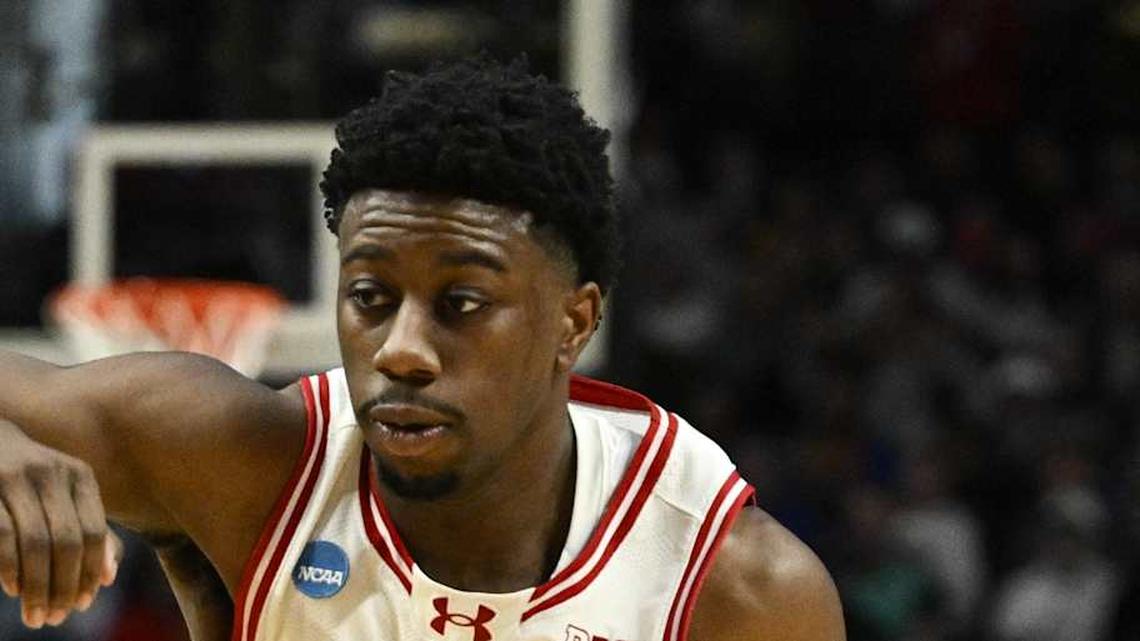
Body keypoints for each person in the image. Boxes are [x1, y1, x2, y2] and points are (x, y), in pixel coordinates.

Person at [0, 55, 844, 641]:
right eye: (371, 297)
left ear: (575, 322)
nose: (402, 350)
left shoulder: (736, 589)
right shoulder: (254, 464)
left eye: (461, 303)